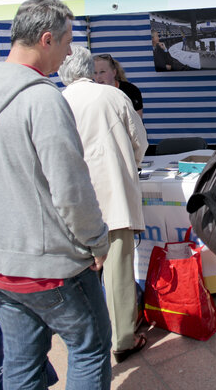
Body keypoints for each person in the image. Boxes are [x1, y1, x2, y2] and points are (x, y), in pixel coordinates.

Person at [0, 0, 112, 389]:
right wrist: (95, 241)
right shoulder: (41, 98)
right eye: (67, 40)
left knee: (22, 363)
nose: (70, 51)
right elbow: (71, 188)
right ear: (46, 39)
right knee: (89, 348)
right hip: (50, 267)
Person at [58, 45, 149, 363]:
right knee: (118, 270)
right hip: (113, 197)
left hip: (71, 200)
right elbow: (141, 142)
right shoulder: (113, 96)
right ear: (88, 69)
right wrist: (126, 165)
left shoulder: (56, 101)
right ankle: (122, 339)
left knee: (77, 271)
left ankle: (84, 336)